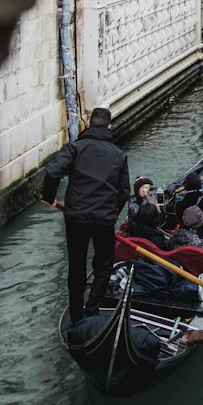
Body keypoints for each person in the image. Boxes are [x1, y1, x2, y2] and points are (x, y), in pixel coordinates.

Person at [40, 106, 130, 323]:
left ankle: (76, 315)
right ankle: (92, 311)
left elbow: (53, 172)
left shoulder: (75, 148)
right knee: (103, 265)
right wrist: (110, 214)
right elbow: (124, 191)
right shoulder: (119, 155)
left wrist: (49, 197)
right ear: (109, 126)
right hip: (103, 220)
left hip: (76, 218)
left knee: (77, 266)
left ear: (88, 124)